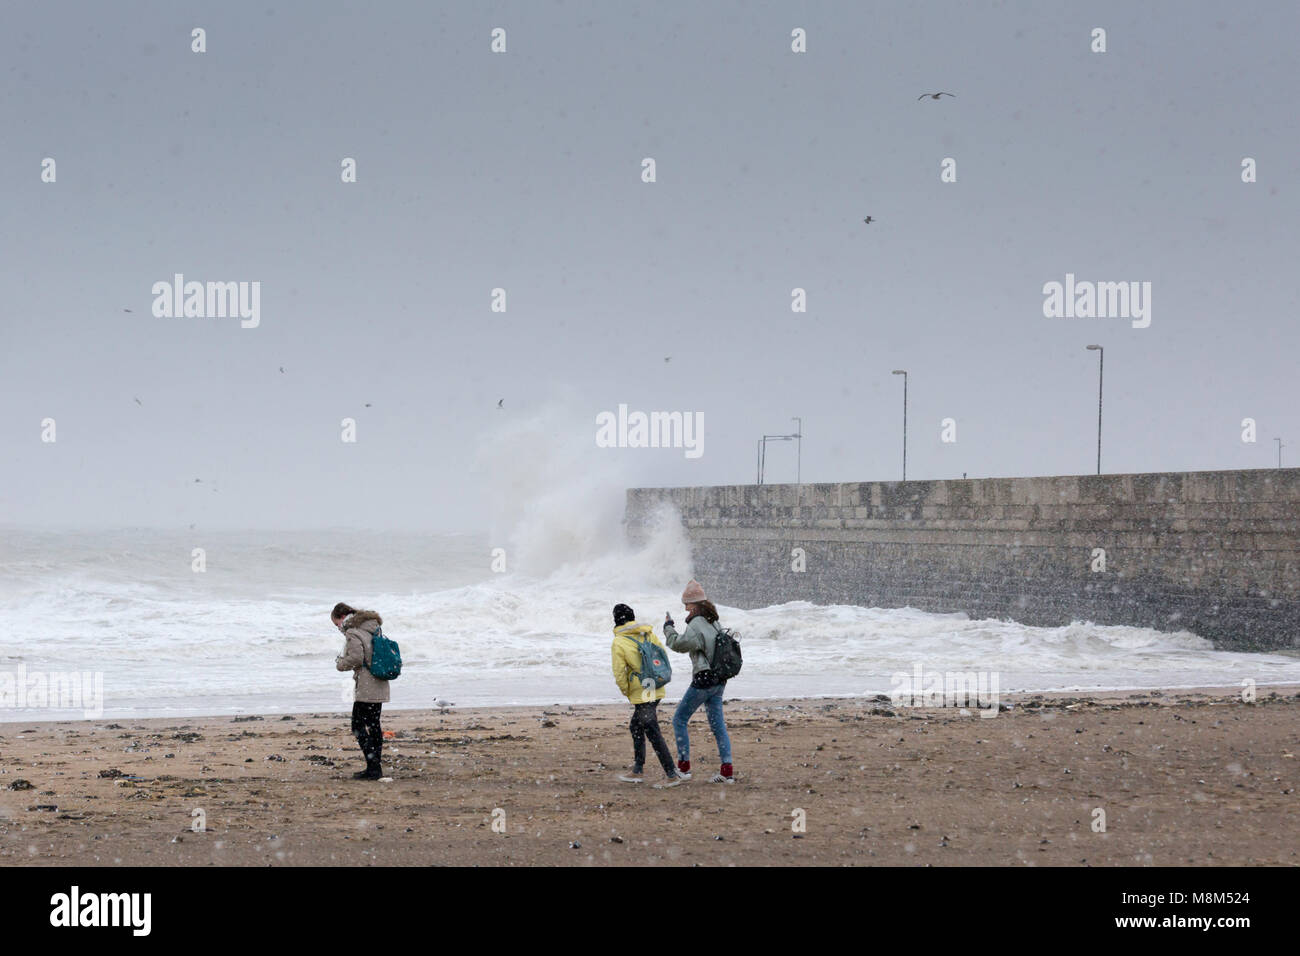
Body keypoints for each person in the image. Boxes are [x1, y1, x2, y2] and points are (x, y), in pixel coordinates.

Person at [663, 579, 735, 783]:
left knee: (679, 719)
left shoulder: (696, 624)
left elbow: (678, 644)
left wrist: (668, 627)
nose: (685, 609)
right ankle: (727, 771)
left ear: (694, 604)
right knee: (718, 725)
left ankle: (684, 768)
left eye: (687, 605)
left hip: (704, 680)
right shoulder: (714, 620)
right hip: (720, 680)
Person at [611, 603, 686, 788]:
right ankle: (638, 770)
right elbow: (662, 656)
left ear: (616, 620)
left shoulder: (619, 642)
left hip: (641, 691)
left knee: (652, 730)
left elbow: (619, 672)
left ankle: (671, 774)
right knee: (636, 725)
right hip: (655, 686)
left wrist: (626, 690)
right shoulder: (647, 633)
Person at [331, 602, 390, 780]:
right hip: (380, 679)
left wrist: (340, 664)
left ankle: (373, 767)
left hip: (366, 683)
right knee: (374, 725)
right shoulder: (373, 627)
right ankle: (374, 768)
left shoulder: (353, 631)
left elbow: (356, 658)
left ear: (342, 617)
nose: (338, 628)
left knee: (357, 725)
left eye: (336, 624)